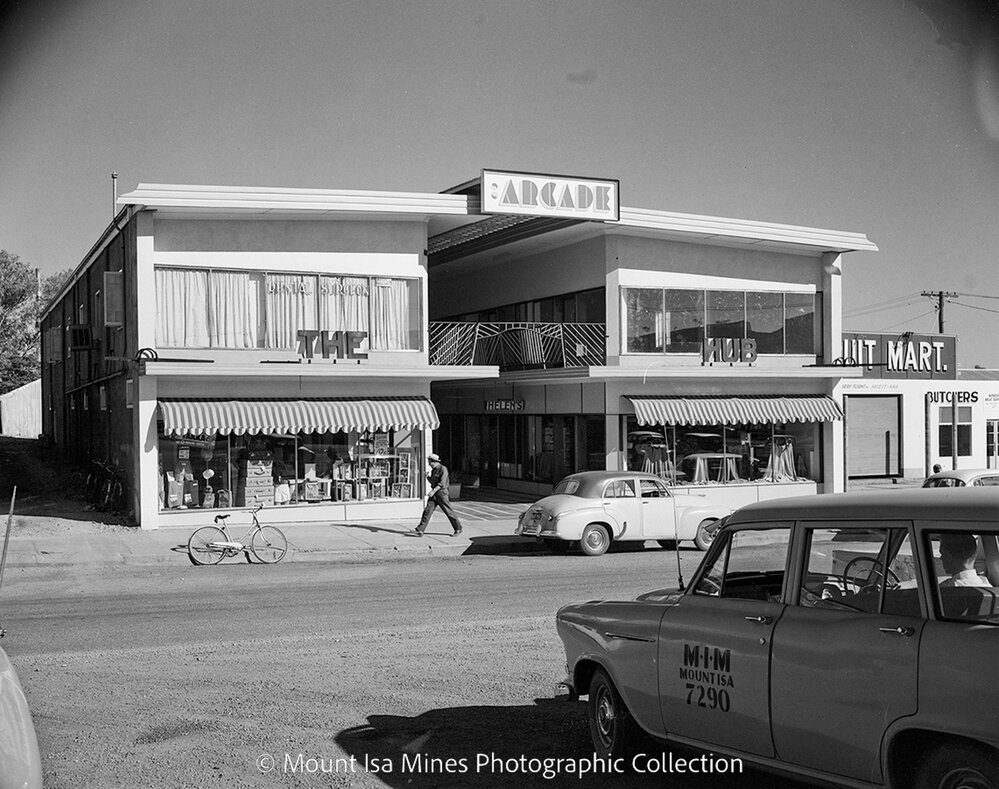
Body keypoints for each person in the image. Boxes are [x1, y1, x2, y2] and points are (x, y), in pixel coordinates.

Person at [411, 453, 463, 537]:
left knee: (448, 511)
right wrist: (427, 477)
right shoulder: (434, 470)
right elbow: (433, 481)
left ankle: (458, 528)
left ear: (434, 462)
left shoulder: (443, 469)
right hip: (434, 493)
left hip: (441, 493)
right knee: (427, 511)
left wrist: (433, 491)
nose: (429, 464)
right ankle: (420, 529)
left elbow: (442, 483)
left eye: (430, 462)